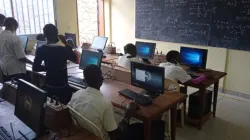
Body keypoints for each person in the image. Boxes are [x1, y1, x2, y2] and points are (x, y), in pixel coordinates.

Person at [68, 64, 165, 140]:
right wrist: (128, 114)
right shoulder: (104, 104)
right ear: (102, 79)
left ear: (84, 81)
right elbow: (116, 135)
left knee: (117, 116)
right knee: (157, 124)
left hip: (88, 133)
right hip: (105, 137)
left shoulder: (76, 95)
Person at [32, 24, 77, 104]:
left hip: (50, 85)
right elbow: (74, 58)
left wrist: (48, 68)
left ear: (45, 35)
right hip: (63, 86)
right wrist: (66, 43)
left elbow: (35, 68)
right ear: (57, 35)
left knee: (52, 107)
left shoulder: (41, 49)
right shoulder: (62, 49)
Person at [0, 17, 33, 82]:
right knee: (20, 90)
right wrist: (32, 63)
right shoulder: (14, 38)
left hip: (4, 68)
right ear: (13, 25)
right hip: (15, 70)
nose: (15, 30)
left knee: (10, 89)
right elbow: (21, 57)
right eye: (16, 28)